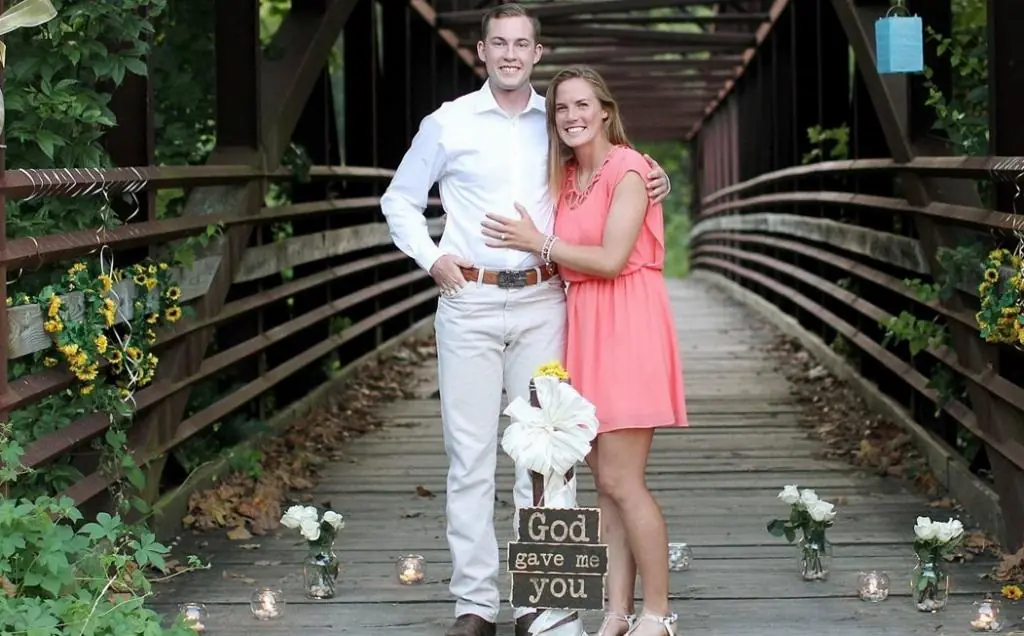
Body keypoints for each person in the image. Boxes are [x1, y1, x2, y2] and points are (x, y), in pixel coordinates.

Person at [379, 5, 670, 635]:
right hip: (470, 303)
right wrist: (432, 259)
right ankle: (475, 605)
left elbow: (610, 167)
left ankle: (545, 605)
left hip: (544, 303)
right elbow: (398, 200)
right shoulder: (447, 123)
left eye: (523, 44)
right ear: (481, 52)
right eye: (498, 43)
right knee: (471, 457)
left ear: (538, 54)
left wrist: (655, 174)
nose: (510, 53)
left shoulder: (557, 122)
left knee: (549, 454)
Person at [479, 65, 688, 636]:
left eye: (580, 105)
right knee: (604, 483)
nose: (571, 116)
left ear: (604, 110)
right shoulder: (567, 176)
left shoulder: (631, 170)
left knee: (625, 481)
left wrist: (538, 242)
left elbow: (612, 258)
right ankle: (616, 613)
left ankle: (658, 613)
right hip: (585, 329)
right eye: (560, 109)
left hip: (629, 324)